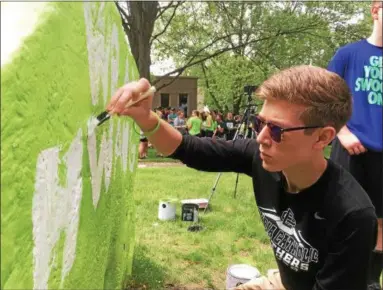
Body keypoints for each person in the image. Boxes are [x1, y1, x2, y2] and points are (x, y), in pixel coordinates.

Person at [107, 65, 377, 290]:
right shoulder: (260, 158)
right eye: (260, 123)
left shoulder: (352, 215)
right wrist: (146, 118)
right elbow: (186, 148)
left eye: (277, 130)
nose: (261, 138)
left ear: (322, 137)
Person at [327, 2, 382, 288]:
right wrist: (342, 131)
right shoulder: (348, 55)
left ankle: (371, 280)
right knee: (338, 212)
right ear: (376, 11)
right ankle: (331, 275)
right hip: (351, 149)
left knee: (381, 221)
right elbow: (325, 99)